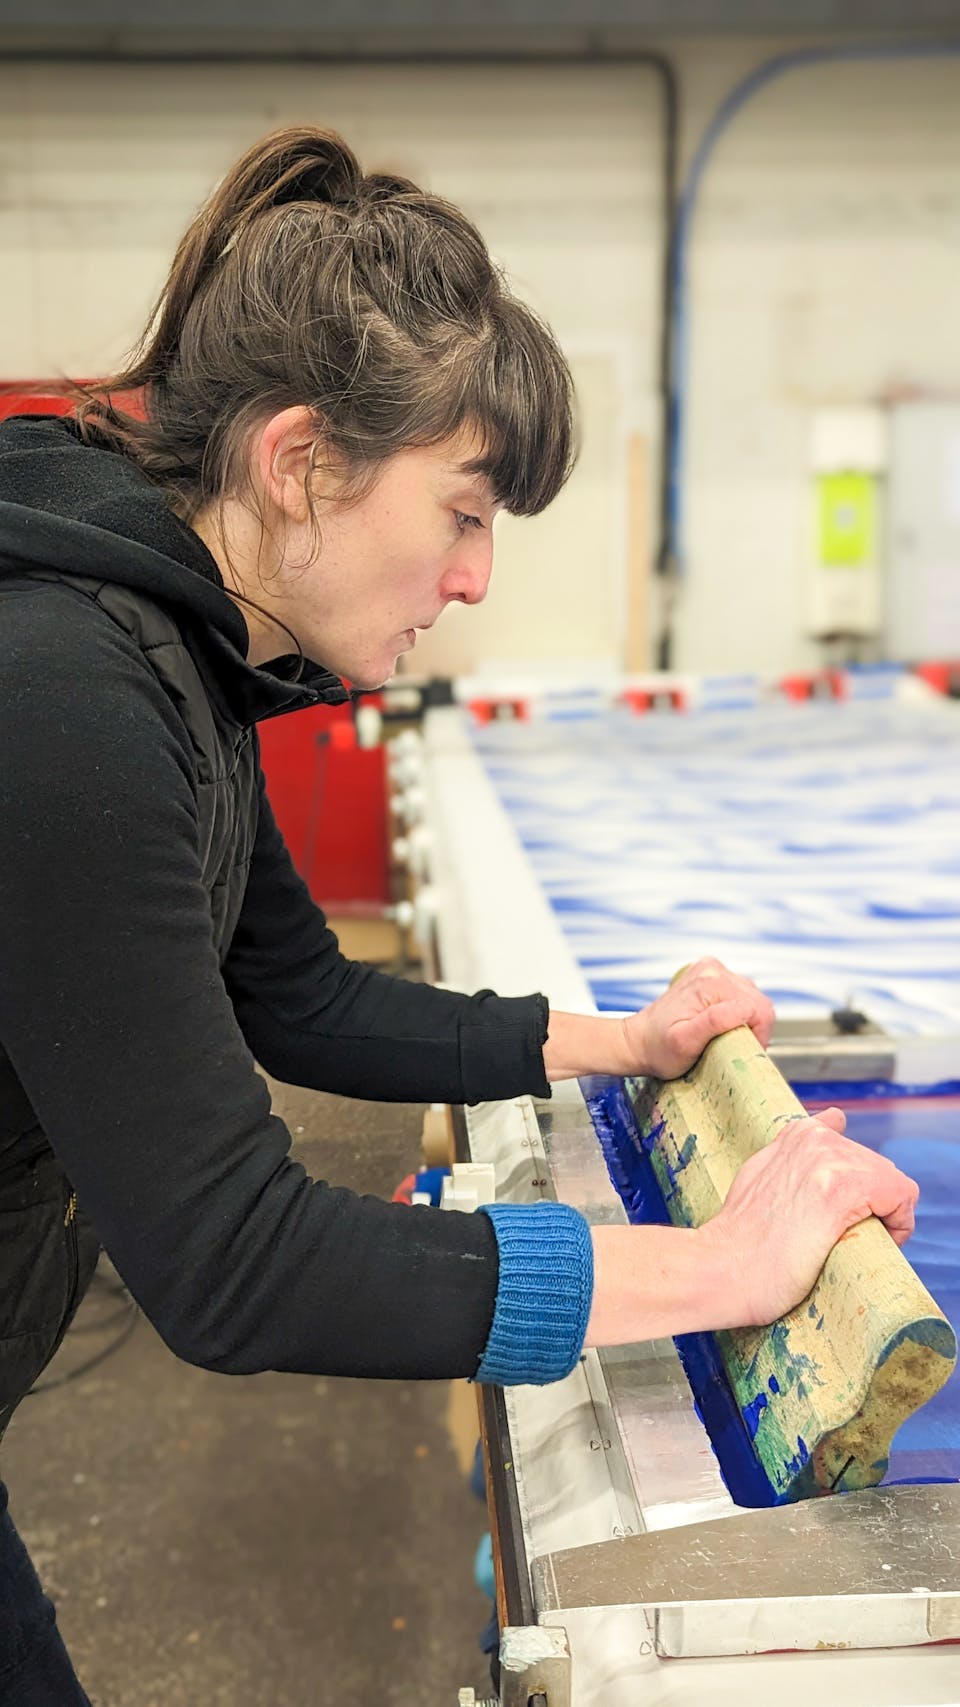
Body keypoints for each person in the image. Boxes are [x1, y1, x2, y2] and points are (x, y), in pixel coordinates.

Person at [0, 127, 918, 1702]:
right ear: (302, 463)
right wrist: (721, 1271)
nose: (479, 578)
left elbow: (298, 994)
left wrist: (625, 1042)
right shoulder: (63, 696)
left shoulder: (177, 658)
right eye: (469, 512)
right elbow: (233, 1260)